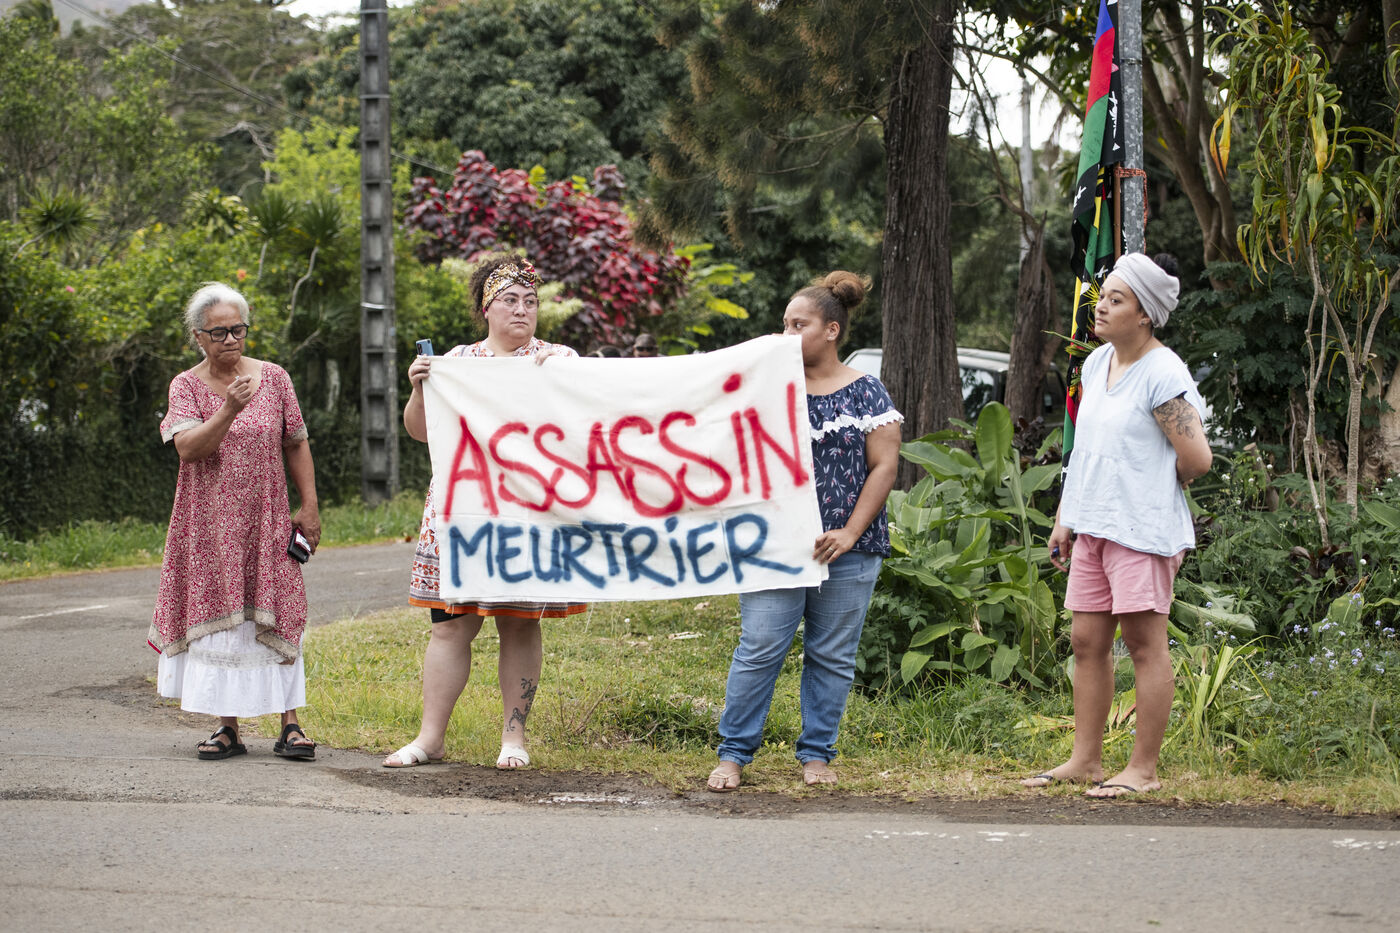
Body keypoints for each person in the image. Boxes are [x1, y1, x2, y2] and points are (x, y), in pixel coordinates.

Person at [1021, 252, 1211, 798]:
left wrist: (1148, 487)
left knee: (1145, 645)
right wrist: (1066, 518)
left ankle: (1142, 770)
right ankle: (1086, 761)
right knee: (1086, 641)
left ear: (1145, 314)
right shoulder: (1096, 363)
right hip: (1093, 526)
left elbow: (1197, 459)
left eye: (1115, 299)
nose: (1100, 306)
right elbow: (1085, 450)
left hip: (1142, 531)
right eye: (1102, 297)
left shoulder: (1163, 372)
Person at [385, 255, 586, 770]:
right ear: (486, 308)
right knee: (450, 627)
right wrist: (419, 386)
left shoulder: (558, 358)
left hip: (528, 517)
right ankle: (430, 738)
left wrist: (564, 380)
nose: (521, 310)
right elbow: (421, 431)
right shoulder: (458, 361)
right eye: (509, 300)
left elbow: (586, 423)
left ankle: (513, 738)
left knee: (518, 623)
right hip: (463, 516)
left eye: (530, 301)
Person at [707, 271, 903, 792]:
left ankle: (817, 755)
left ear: (831, 330)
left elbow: (884, 466)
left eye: (800, 325)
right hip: (773, 544)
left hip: (849, 548)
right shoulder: (768, 386)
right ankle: (733, 754)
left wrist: (850, 532)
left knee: (832, 654)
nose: (787, 334)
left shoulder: (866, 390)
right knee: (759, 647)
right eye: (785, 324)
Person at [149, 282, 320, 761]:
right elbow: (188, 448)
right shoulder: (185, 386)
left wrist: (309, 505)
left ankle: (290, 725)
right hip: (210, 526)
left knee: (279, 609)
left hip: (268, 519)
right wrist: (229, 408)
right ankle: (227, 727)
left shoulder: (275, 377)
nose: (230, 339)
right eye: (219, 332)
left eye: (237, 330)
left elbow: (296, 442)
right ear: (198, 337)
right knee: (223, 620)